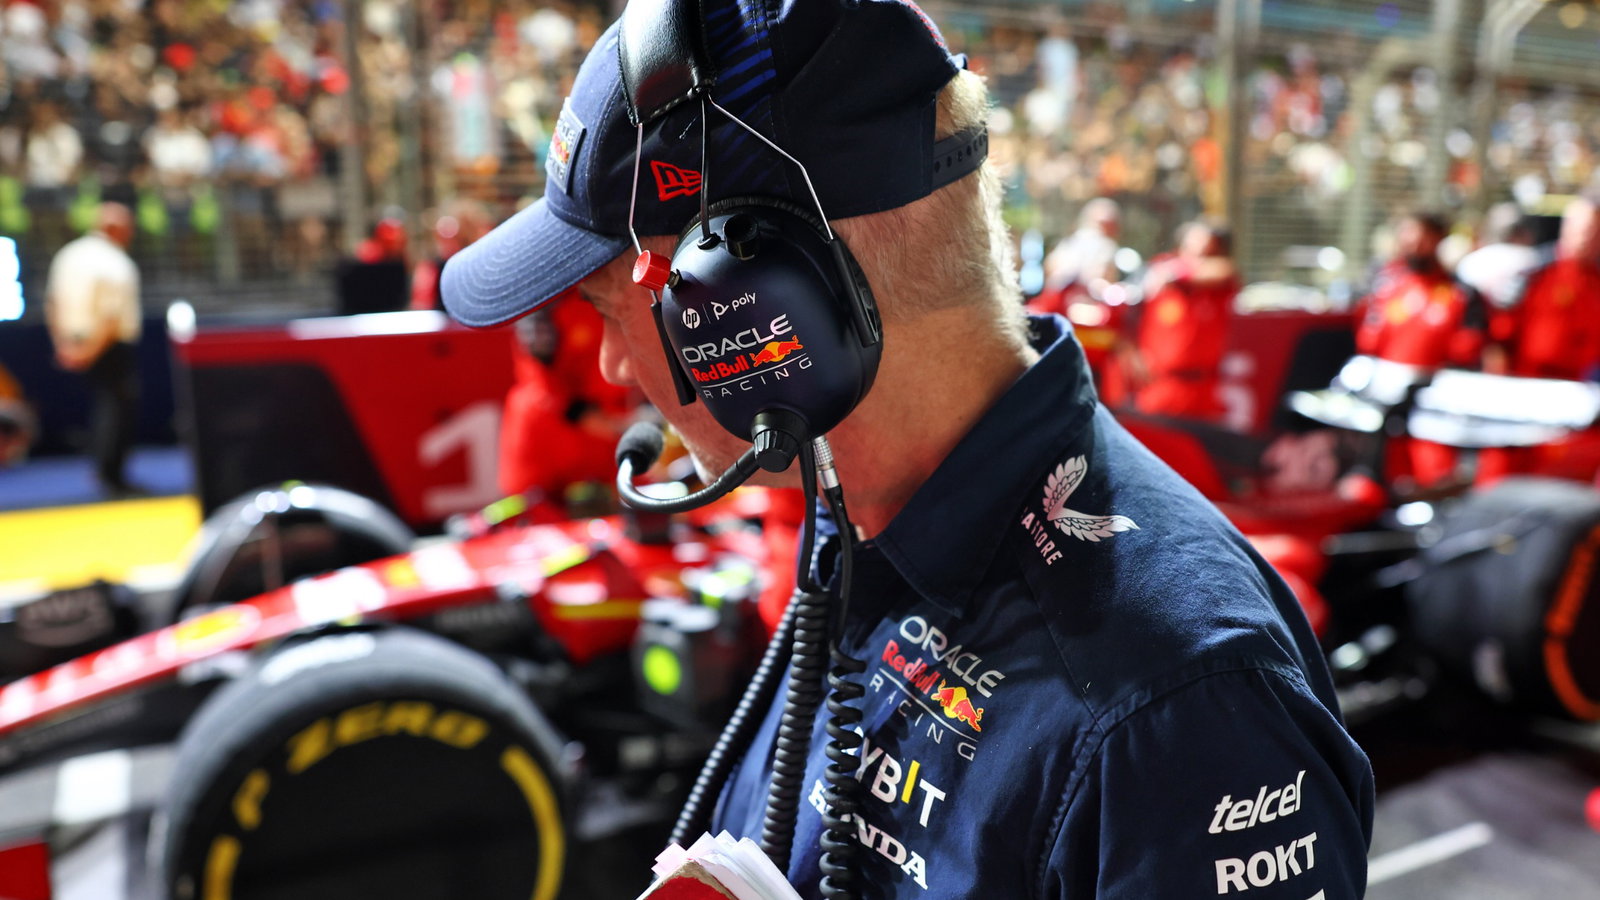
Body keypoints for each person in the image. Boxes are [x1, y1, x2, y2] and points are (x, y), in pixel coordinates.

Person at [441, 2, 1374, 897]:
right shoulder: (859, 513)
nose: (606, 364)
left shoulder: (1176, 715)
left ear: (762, 306)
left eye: (611, 307)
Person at [1353, 212, 1486, 487]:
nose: (1414, 242)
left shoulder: (1460, 293)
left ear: (1439, 239)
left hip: (1434, 410)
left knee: (1435, 481)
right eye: (1408, 233)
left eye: (1422, 236)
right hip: (1381, 408)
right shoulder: (1385, 286)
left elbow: (1468, 352)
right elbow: (1368, 342)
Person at [45, 202, 142, 496]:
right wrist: (91, 351)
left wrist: (63, 345)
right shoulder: (115, 262)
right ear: (115, 228)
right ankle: (112, 477)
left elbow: (53, 303)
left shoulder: (68, 254)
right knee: (117, 406)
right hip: (107, 345)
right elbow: (109, 319)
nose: (131, 233)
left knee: (106, 405)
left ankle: (105, 473)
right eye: (128, 227)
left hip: (74, 339)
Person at [1127, 220, 1239, 422]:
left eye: (1208, 252)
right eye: (1193, 250)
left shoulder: (1218, 284)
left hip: (1203, 393)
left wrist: (1174, 272)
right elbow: (1127, 322)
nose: (1200, 258)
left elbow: (1223, 269)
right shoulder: (1157, 280)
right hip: (1158, 390)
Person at [1455, 202, 1541, 311]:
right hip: (1521, 321)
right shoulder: (1531, 259)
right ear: (1521, 232)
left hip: (1479, 323)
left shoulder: (1469, 263)